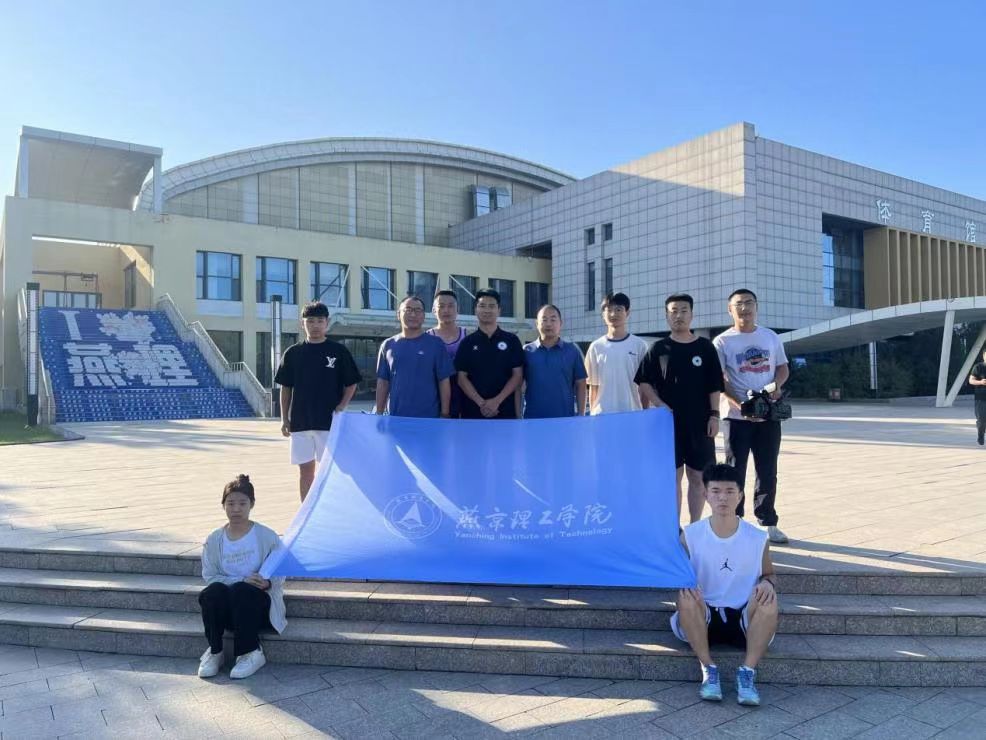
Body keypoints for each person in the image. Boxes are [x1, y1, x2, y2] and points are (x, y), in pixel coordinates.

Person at [671, 463, 778, 707]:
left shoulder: (757, 537)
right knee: (685, 595)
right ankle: (708, 669)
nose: (723, 498)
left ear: (740, 496)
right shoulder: (690, 535)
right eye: (716, 491)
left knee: (769, 599)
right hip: (704, 613)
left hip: (742, 616)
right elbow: (678, 576)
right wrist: (686, 585)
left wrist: (767, 584)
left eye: (730, 491)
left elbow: (769, 574)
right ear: (705, 494)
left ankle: (747, 673)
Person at [636, 294, 724, 522]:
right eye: (673, 311)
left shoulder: (705, 347)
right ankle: (674, 527)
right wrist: (659, 404)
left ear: (692, 314)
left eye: (684, 310)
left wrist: (714, 415)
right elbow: (643, 381)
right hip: (667, 424)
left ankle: (695, 525)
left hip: (700, 423)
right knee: (672, 477)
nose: (679, 316)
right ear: (667, 316)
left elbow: (715, 385)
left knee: (698, 477)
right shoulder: (658, 348)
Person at [713, 289, 790, 544]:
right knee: (735, 470)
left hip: (768, 415)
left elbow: (782, 368)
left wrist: (776, 387)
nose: (744, 308)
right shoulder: (722, 342)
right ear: (730, 309)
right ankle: (734, 521)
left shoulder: (770, 336)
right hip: (736, 418)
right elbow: (718, 380)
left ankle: (768, 522)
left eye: (749, 303)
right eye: (739, 304)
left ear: (756, 306)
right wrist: (742, 405)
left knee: (767, 469)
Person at [198, 474, 286, 680]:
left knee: (242, 591)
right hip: (228, 610)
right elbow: (210, 576)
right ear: (223, 505)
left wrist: (267, 582)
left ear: (251, 504)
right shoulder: (214, 539)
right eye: (230, 503)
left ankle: (251, 652)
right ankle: (215, 651)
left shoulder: (266, 536)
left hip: (257, 608)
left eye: (242, 503)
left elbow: (280, 570)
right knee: (211, 592)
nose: (236, 509)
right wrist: (240, 580)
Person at [275, 301, 361, 501]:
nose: (315, 325)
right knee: (305, 471)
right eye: (310, 321)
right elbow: (286, 388)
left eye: (320, 321)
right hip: (301, 423)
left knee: (330, 470)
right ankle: (306, 511)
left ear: (327, 323)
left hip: (329, 423)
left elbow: (352, 383)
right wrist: (284, 418)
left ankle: (329, 509)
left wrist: (341, 406)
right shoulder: (293, 353)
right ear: (302, 324)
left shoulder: (338, 351)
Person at [376, 295, 455, 418]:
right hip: (396, 418)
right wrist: (379, 413)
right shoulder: (388, 345)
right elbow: (383, 382)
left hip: (429, 418)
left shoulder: (436, 344)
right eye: (408, 310)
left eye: (418, 310)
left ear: (423, 316)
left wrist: (445, 413)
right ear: (398, 314)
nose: (413, 314)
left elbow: (444, 381)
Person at [454, 288, 524, 419]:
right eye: (482, 306)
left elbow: (517, 376)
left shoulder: (512, 340)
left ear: (499, 310)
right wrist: (482, 403)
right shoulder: (467, 343)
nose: (487, 310)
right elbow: (461, 378)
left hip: (505, 413)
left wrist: (496, 401)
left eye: (491, 306)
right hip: (473, 414)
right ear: (475, 310)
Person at [585, 292, 650, 415]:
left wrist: (644, 415)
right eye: (609, 310)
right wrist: (592, 415)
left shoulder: (640, 345)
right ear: (603, 315)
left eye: (619, 309)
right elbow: (593, 386)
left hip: (632, 413)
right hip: (602, 415)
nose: (613, 314)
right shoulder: (595, 347)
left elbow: (645, 386)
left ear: (627, 312)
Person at [522, 304, 587, 418]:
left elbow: (581, 384)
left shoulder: (572, 350)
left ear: (560, 323)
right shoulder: (526, 351)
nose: (548, 324)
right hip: (533, 419)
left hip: (564, 419)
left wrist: (581, 415)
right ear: (537, 324)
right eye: (544, 320)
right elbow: (518, 386)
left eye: (553, 319)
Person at [428, 290, 468, 418]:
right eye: (441, 306)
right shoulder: (427, 338)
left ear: (458, 309)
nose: (446, 310)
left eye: (451, 306)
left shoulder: (467, 336)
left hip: (462, 396)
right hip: (434, 397)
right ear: (434, 310)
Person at [970, 347, 986, 446]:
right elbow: (971, 380)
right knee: (981, 420)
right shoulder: (978, 367)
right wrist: (980, 382)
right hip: (981, 399)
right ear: (984, 356)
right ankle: (981, 434)